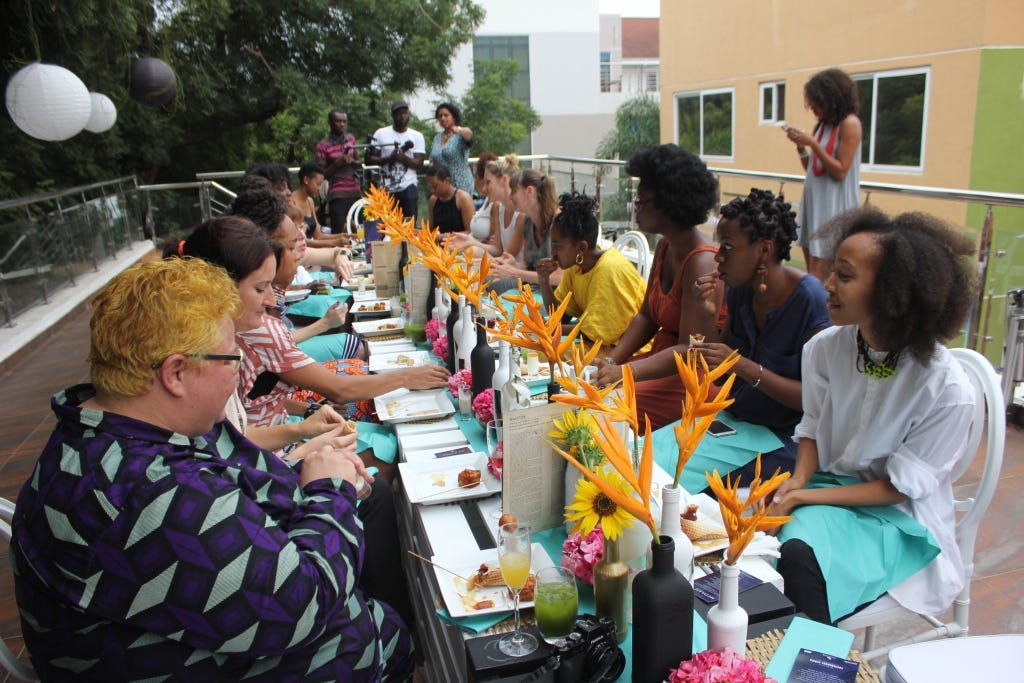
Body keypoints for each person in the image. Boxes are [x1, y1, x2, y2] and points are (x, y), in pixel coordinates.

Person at [10, 258, 414, 681]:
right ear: (177, 373)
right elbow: (300, 604)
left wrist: (318, 473)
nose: (239, 372)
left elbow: (245, 486)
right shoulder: (140, 490)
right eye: (233, 358)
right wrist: (330, 490)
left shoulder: (134, 427)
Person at [768, 208, 976, 626]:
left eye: (844, 276)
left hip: (898, 523)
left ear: (892, 292)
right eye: (831, 271)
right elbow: (810, 427)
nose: (826, 285)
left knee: (798, 552)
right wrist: (799, 479)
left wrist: (805, 497)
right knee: (735, 507)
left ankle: (817, 665)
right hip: (830, 489)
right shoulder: (825, 349)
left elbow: (896, 489)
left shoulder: (948, 390)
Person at [694, 188, 830, 478]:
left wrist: (743, 365)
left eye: (728, 247)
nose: (718, 257)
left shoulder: (810, 301)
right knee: (665, 454)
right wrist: (707, 316)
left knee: (702, 484)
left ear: (764, 250)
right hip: (737, 424)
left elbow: (815, 399)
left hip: (789, 441)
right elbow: (719, 373)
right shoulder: (740, 291)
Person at [592, 144, 722, 432]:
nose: (636, 204)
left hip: (692, 380)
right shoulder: (665, 245)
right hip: (661, 363)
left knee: (599, 412)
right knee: (589, 389)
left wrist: (624, 373)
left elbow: (692, 349)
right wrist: (612, 360)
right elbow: (647, 318)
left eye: (643, 199)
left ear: (670, 202)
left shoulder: (702, 262)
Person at [537, 191, 646, 352]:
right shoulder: (576, 266)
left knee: (544, 353)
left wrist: (543, 327)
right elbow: (559, 317)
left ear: (581, 247)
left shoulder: (609, 269)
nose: (552, 252)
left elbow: (591, 335)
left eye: (558, 246)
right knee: (536, 350)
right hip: (600, 345)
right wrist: (543, 281)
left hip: (628, 352)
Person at [784, 67, 862, 281]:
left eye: (816, 103)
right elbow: (813, 168)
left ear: (831, 98)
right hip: (815, 203)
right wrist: (801, 147)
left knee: (821, 274)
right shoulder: (822, 126)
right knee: (812, 270)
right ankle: (816, 311)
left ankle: (819, 313)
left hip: (833, 207)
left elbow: (840, 171)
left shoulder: (850, 124)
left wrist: (813, 144)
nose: (812, 108)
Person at [488, 167, 560, 291]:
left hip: (555, 294)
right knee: (489, 280)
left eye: (514, 191)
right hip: (535, 287)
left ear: (529, 191)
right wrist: (515, 264)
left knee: (495, 286)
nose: (510, 197)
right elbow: (529, 263)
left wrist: (515, 272)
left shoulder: (559, 223)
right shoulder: (527, 221)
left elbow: (559, 277)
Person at [447, 155, 526, 262]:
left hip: (515, 270)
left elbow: (507, 257)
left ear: (504, 179)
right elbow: (497, 249)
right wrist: (470, 242)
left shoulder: (521, 213)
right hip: (506, 266)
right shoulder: (499, 207)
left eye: (488, 182)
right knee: (470, 251)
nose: (484, 189)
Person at [366, 100, 426, 223]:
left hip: (408, 186)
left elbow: (419, 164)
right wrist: (389, 158)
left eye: (405, 113)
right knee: (386, 226)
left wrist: (403, 158)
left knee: (409, 225)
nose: (402, 116)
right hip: (385, 188)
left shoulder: (417, 136)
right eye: (399, 113)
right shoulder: (381, 133)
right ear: (393, 115)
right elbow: (369, 160)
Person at [315, 109, 363, 233]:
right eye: (338, 121)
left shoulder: (350, 139)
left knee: (362, 228)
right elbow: (320, 175)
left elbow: (359, 165)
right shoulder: (323, 145)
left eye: (344, 121)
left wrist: (352, 161)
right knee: (338, 230)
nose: (342, 124)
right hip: (337, 194)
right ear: (330, 122)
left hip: (355, 191)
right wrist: (337, 163)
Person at [290, 161, 350, 247]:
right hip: (301, 250)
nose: (319, 188)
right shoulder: (291, 202)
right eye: (318, 184)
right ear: (306, 180)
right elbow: (301, 241)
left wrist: (344, 236)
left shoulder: (309, 201)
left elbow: (318, 236)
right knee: (338, 253)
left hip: (312, 249)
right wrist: (335, 242)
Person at [429, 102, 474, 195]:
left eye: (446, 115)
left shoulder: (459, 135)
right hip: (443, 185)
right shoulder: (437, 138)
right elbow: (432, 158)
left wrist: (459, 130)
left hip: (460, 183)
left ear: (453, 117)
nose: (443, 118)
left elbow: (469, 134)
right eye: (440, 116)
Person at [426, 163, 474, 234]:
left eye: (435, 186)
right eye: (430, 187)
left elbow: (470, 231)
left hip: (460, 243)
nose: (432, 190)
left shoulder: (463, 199)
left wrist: (445, 237)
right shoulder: (433, 200)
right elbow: (431, 229)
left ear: (447, 181)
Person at [469, 151, 499, 238]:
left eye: (475, 176)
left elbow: (494, 241)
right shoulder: (487, 200)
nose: (475, 181)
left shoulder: (495, 204)